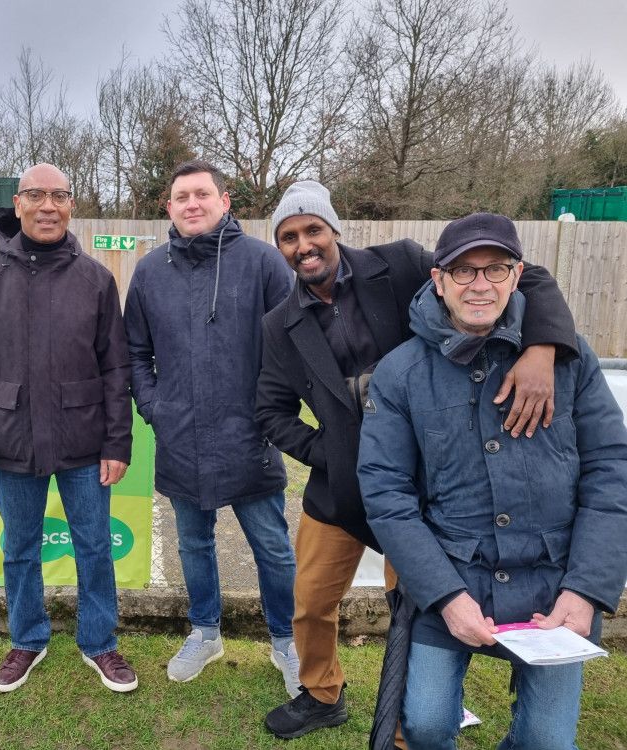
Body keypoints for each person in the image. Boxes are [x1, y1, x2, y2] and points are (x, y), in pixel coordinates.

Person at [255, 184, 579, 739]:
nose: (303, 244)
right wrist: (327, 453)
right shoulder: (278, 324)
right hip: (341, 491)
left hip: (427, 487)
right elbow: (270, 411)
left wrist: (544, 346)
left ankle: (410, 721)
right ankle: (320, 692)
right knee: (308, 602)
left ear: (334, 230)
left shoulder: (401, 264)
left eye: (313, 230)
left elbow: (519, 276)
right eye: (289, 236)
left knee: (413, 605)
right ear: (280, 247)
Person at [356, 212, 627, 749]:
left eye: (495, 269)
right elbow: (386, 495)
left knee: (547, 743)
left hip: (555, 583)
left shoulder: (568, 359)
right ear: (438, 279)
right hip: (454, 577)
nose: (480, 284)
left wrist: (587, 589)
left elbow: (610, 470)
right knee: (428, 726)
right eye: (463, 271)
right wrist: (445, 596)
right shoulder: (400, 374)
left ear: (517, 273)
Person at [0, 163, 137, 694]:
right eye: (36, 195)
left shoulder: (96, 280)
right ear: (18, 202)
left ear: (72, 205)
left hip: (84, 441)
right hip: (11, 440)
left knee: (95, 547)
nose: (48, 206)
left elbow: (116, 368)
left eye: (59, 196)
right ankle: (27, 639)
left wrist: (117, 442)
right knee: (19, 548)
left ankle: (99, 642)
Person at [123, 160, 299, 695]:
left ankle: (287, 641)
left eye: (203, 194)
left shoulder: (265, 263)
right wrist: (156, 406)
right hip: (180, 436)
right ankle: (205, 631)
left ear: (226, 202)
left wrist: (271, 412)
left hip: (251, 437)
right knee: (194, 543)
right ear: (169, 207)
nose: (192, 203)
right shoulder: (150, 273)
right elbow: (135, 352)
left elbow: (294, 346)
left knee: (271, 545)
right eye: (181, 196)